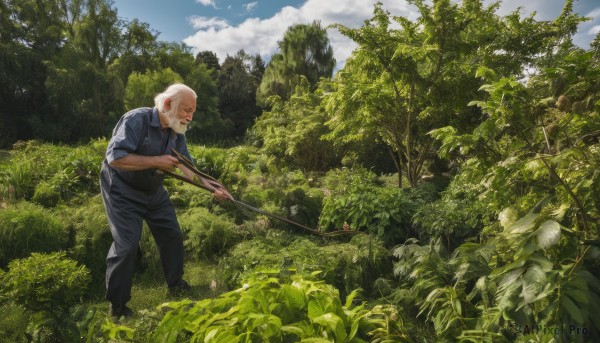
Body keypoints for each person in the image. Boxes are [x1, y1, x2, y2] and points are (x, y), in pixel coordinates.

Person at [100, 83, 230, 318]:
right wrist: (158, 161)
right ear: (168, 104)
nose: (189, 118)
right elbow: (115, 158)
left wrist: (215, 188)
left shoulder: (175, 131)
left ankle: (176, 285)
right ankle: (118, 306)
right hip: (121, 190)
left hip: (153, 191)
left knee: (172, 235)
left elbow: (189, 169)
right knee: (127, 245)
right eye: (186, 110)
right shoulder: (135, 120)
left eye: (193, 112)